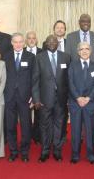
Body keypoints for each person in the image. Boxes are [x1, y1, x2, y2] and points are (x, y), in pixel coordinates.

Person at [32, 35, 71, 163]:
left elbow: (69, 80)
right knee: (44, 126)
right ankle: (45, 151)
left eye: (54, 41)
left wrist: (70, 99)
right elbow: (35, 80)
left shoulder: (66, 57)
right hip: (44, 99)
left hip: (61, 98)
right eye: (49, 41)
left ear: (58, 43)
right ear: (45, 43)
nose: (52, 43)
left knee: (59, 125)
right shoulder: (39, 57)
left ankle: (57, 151)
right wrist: (36, 99)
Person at [3, 33, 35, 162]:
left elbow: (34, 77)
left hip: (25, 97)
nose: (18, 44)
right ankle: (13, 151)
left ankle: (25, 152)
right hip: (9, 96)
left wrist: (33, 96)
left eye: (20, 42)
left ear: (24, 43)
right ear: (12, 43)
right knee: (10, 125)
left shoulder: (31, 57)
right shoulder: (5, 57)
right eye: (15, 42)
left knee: (26, 126)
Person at [68, 42, 94, 165]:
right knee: (75, 131)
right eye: (81, 49)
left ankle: (91, 155)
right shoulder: (72, 65)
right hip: (75, 103)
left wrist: (88, 98)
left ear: (90, 51)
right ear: (78, 52)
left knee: (90, 130)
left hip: (90, 103)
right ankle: (75, 155)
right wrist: (78, 97)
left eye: (87, 49)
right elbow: (70, 83)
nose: (84, 51)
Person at [25, 31, 43, 144]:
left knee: (38, 115)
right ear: (26, 40)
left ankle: (37, 137)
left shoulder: (42, 52)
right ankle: (26, 137)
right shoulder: (21, 52)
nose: (31, 40)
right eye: (29, 38)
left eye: (33, 38)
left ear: (36, 40)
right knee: (25, 116)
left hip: (39, 89)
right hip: (25, 89)